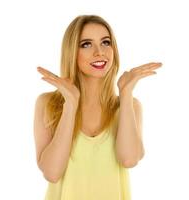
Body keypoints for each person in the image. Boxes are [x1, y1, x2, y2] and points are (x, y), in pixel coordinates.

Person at [33, 14, 162, 200]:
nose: (99, 52)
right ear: (72, 52)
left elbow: (129, 159)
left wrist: (125, 94)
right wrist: (70, 105)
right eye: (86, 44)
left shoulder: (130, 106)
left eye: (105, 42)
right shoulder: (48, 104)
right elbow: (52, 173)